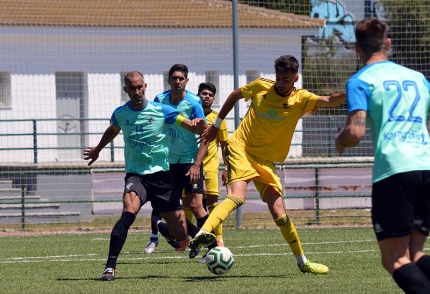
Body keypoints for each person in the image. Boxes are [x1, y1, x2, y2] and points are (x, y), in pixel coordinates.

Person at [190, 55, 346, 274]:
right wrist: (216, 125)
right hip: (241, 148)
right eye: (279, 78)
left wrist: (353, 93)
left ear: (296, 78)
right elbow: (235, 95)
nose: (281, 83)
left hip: (265, 161)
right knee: (237, 197)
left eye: (287, 79)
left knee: (279, 213)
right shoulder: (261, 86)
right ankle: (203, 233)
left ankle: (303, 263)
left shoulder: (301, 99)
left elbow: (330, 100)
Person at [335, 18, 430, 293]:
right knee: (415, 254)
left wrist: (339, 141)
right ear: (387, 43)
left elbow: (354, 132)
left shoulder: (361, 80)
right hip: (425, 165)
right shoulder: (418, 79)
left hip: (395, 170)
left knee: (395, 259)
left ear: (356, 48)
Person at [83, 71, 204, 281]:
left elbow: (188, 125)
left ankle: (163, 227)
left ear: (145, 86)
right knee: (128, 212)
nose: (137, 91)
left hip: (162, 176)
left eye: (140, 87)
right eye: (133, 88)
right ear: (126, 90)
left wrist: (196, 127)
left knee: (180, 234)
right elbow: (112, 130)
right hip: (136, 175)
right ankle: (110, 267)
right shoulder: (120, 113)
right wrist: (98, 149)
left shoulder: (161, 110)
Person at [144, 64, 210, 258]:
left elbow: (204, 136)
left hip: (189, 161)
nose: (177, 82)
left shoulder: (194, 103)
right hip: (166, 162)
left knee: (196, 205)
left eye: (181, 78)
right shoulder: (160, 100)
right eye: (174, 78)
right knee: (165, 207)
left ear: (186, 81)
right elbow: (153, 124)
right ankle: (162, 233)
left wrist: (197, 164)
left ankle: (209, 245)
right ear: (169, 80)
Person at [198, 82, 228, 247]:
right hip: (191, 166)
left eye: (210, 94)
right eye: (204, 93)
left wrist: (226, 168)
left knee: (212, 202)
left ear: (213, 98)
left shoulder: (218, 120)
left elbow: (224, 146)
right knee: (188, 202)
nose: (207, 97)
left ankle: (219, 238)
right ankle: (188, 238)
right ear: (198, 96)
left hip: (210, 167)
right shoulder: (191, 116)